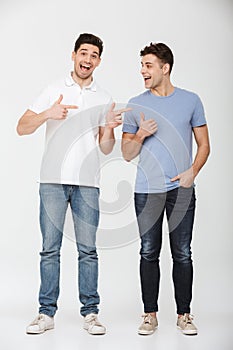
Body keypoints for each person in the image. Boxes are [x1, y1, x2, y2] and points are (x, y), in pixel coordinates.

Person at [17, 33, 129, 335]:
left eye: (94, 56)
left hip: (87, 184)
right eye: (83, 53)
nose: (87, 60)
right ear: (73, 55)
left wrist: (109, 129)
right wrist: (47, 114)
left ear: (99, 61)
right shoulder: (54, 89)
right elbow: (21, 127)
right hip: (52, 181)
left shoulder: (104, 97)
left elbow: (106, 148)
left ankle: (90, 312)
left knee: (88, 250)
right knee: (49, 250)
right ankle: (45, 313)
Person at [122, 42, 210, 336]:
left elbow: (204, 145)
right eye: (142, 65)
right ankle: (150, 315)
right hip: (146, 191)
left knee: (182, 253)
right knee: (148, 252)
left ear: (165, 68)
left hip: (181, 190)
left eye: (148, 65)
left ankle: (184, 315)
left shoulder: (191, 101)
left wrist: (192, 172)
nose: (142, 71)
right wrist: (141, 133)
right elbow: (125, 152)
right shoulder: (135, 104)